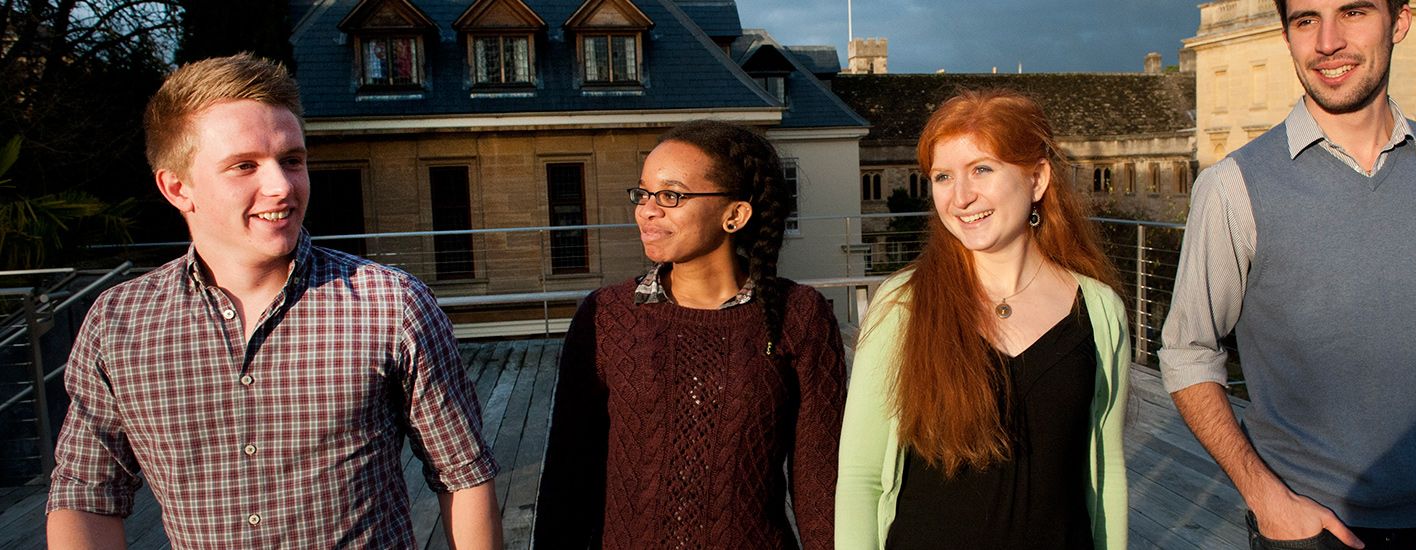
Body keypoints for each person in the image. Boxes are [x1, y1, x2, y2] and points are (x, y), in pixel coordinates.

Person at [44, 54, 502, 549]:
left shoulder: (391, 305)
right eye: (244, 165)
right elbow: (86, 496)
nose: (281, 187)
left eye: (292, 160)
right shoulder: (119, 325)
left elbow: (463, 473)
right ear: (178, 188)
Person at [1159, 1, 1416, 549]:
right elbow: (1187, 351)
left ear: (1399, 21)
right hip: (1304, 529)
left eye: (1353, 12)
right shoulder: (1233, 187)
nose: (1327, 42)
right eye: (1305, 20)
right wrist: (1264, 497)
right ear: (1287, 35)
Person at [836, 89, 1131, 550]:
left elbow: (1105, 468)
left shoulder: (1099, 310)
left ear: (1037, 179)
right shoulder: (902, 305)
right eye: (942, 177)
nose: (961, 197)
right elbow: (861, 477)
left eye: (982, 170)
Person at [532, 120, 847, 549]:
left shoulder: (799, 316)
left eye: (671, 196)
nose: (647, 210)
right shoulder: (607, 316)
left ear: (734, 214)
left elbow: (819, 484)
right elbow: (568, 478)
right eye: (643, 193)